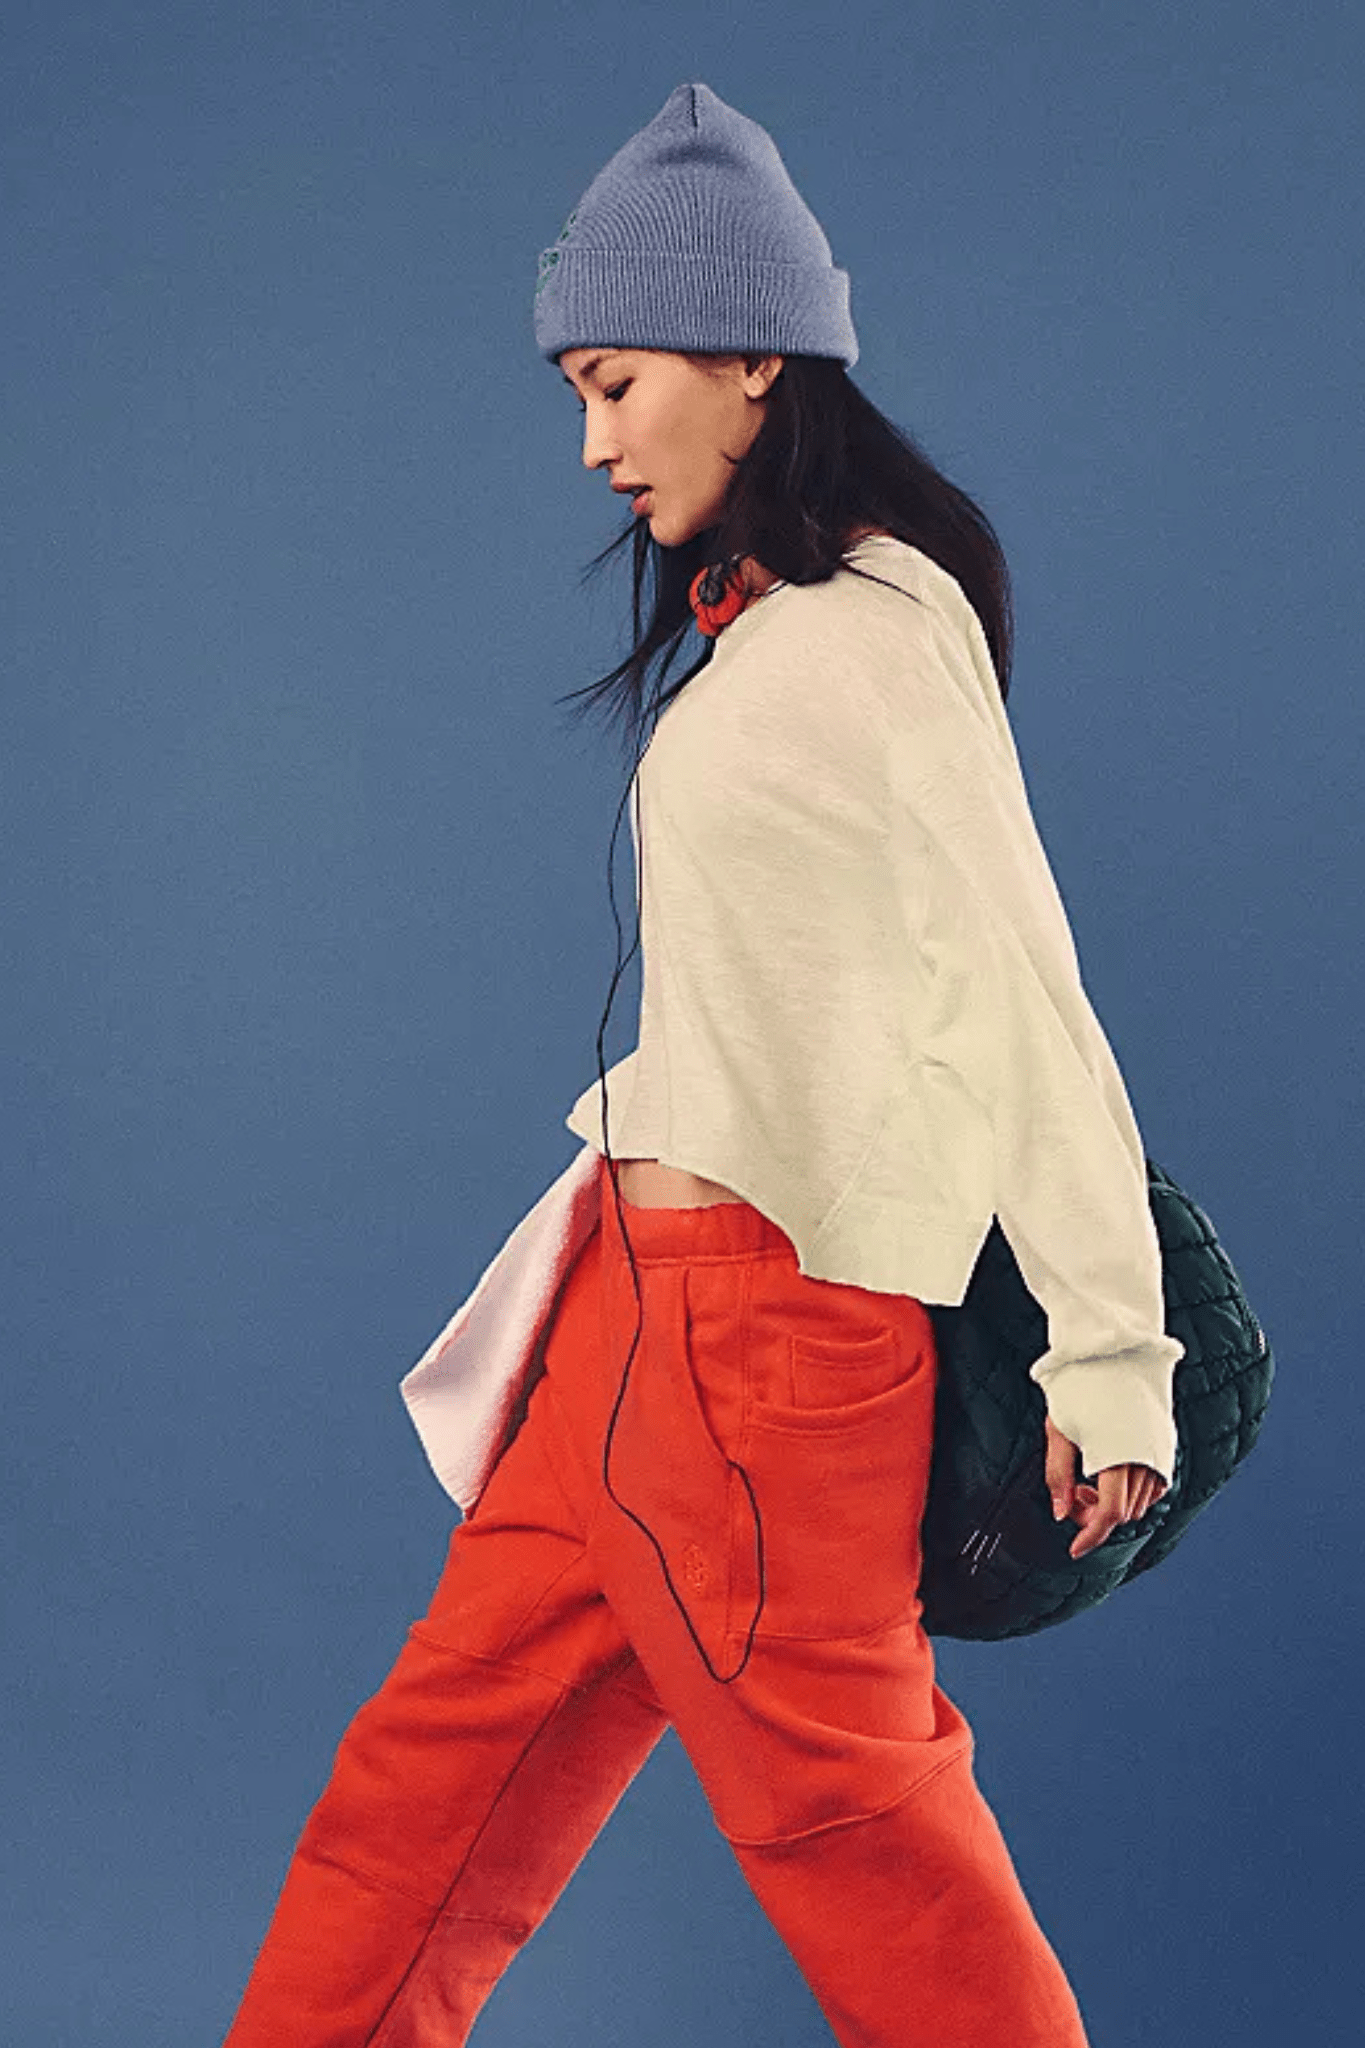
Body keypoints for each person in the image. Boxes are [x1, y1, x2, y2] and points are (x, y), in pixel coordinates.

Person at [223, 82, 1181, 2048]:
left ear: (755, 356)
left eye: (613, 383)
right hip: (625, 1325)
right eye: (576, 393)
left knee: (865, 1842)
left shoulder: (877, 625)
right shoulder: (769, 630)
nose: (591, 443)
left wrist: (1111, 1348)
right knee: (419, 1800)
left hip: (769, 1347)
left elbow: (1015, 989)